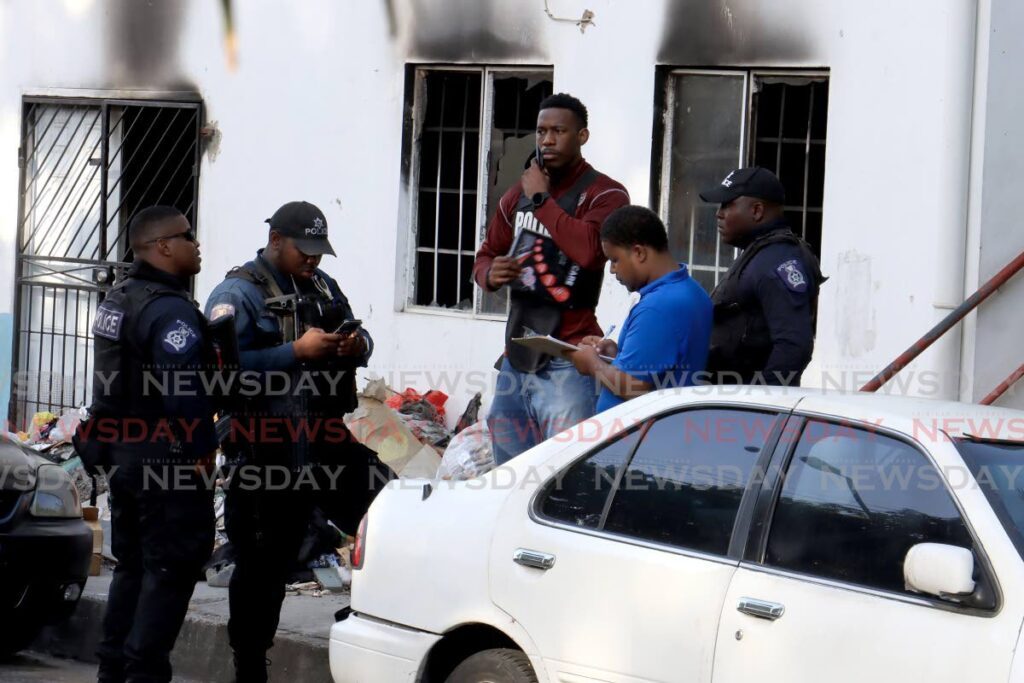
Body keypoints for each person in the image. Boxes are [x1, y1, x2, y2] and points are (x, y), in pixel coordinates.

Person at [204, 201, 382, 682]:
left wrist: (354, 345)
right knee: (264, 566)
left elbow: (361, 334)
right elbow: (219, 376)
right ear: (276, 240)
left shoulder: (322, 287)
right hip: (265, 446)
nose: (312, 260)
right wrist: (293, 352)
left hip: (326, 437)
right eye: (304, 250)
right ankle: (250, 665)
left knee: (386, 521)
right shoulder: (236, 294)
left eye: (319, 252)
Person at [84, 206, 217, 683]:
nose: (196, 243)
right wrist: (204, 449)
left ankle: (113, 670)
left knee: (133, 568)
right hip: (164, 458)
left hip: (124, 454)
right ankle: (142, 673)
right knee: (170, 570)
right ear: (162, 246)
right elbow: (183, 389)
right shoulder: (169, 309)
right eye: (187, 236)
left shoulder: (117, 298)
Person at [474, 92, 630, 463]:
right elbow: (484, 256)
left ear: (582, 136)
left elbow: (591, 252)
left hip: (569, 356)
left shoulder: (605, 193)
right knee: (509, 468)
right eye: (541, 131)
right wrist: (491, 275)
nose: (547, 140)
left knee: (563, 469)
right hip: (518, 352)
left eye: (559, 131)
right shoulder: (518, 195)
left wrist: (543, 202)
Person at [569, 206, 712, 411]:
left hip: (638, 436)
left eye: (615, 259)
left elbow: (634, 386)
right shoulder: (691, 291)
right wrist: (615, 353)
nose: (612, 269)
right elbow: (657, 365)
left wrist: (592, 365)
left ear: (639, 252)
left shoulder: (659, 307)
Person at [699, 167, 826, 386]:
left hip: (745, 409)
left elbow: (794, 346)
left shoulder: (776, 261)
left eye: (727, 205)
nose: (719, 214)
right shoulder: (760, 254)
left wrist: (757, 402)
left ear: (756, 211)